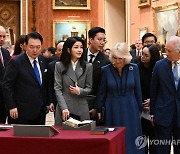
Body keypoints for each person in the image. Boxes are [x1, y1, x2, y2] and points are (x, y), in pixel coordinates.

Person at [97, 42, 144, 154]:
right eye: (114, 58)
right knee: (114, 136)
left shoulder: (134, 68)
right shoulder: (105, 70)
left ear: (126, 58)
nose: (117, 61)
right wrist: (98, 108)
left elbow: (138, 89)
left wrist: (140, 107)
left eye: (120, 58)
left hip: (131, 107)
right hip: (112, 108)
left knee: (131, 135)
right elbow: (102, 91)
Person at [2, 32, 48, 125]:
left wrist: (47, 103)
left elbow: (44, 84)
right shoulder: (16, 62)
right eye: (31, 47)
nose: (35, 50)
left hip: (40, 111)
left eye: (38, 47)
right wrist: (11, 106)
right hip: (21, 111)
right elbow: (7, 85)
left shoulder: (43, 61)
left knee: (39, 138)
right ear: (25, 46)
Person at [150, 36, 180, 154]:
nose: (165, 53)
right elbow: (154, 90)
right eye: (165, 49)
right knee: (162, 149)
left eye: (169, 51)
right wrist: (152, 112)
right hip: (163, 114)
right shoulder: (159, 65)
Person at [54, 37, 93, 125]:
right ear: (68, 50)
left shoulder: (88, 66)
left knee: (82, 136)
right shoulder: (59, 65)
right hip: (65, 107)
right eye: (76, 47)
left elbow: (89, 88)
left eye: (81, 47)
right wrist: (63, 108)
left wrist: (80, 91)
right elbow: (57, 89)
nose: (80, 50)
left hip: (81, 107)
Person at [83, 27, 110, 122]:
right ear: (91, 40)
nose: (102, 43)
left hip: (94, 102)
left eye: (104, 40)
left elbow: (103, 87)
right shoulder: (79, 55)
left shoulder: (106, 60)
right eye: (99, 39)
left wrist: (97, 107)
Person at [137, 44, 160, 154]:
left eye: (146, 55)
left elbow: (162, 88)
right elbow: (135, 87)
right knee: (143, 141)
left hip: (155, 107)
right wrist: (142, 103)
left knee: (155, 142)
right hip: (141, 109)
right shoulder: (137, 67)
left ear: (153, 57)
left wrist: (152, 101)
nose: (143, 57)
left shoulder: (158, 68)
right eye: (142, 54)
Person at [48, 41, 64, 114]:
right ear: (56, 52)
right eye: (59, 50)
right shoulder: (52, 65)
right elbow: (50, 84)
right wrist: (51, 101)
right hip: (57, 100)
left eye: (63, 50)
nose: (61, 52)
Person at [0, 25, 11, 124]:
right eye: (0, 36)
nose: (2, 39)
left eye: (4, 36)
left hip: (4, 99)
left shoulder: (5, 53)